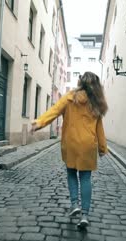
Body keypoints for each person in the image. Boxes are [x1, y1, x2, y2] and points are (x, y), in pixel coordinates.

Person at [31, 71, 108, 227]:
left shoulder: (70, 97)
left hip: (71, 143)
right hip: (88, 145)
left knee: (71, 173)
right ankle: (85, 215)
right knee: (86, 178)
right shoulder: (96, 103)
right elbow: (99, 128)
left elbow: (54, 110)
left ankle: (74, 204)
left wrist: (40, 122)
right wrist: (102, 148)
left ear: (81, 82)